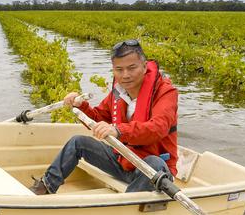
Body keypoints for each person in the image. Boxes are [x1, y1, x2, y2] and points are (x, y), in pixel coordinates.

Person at [30, 39, 178, 194]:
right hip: (123, 161)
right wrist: (80, 106)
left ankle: (124, 207)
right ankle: (45, 187)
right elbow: (98, 117)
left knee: (155, 163)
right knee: (77, 143)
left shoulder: (166, 92)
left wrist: (118, 130)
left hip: (152, 170)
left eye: (131, 68)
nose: (125, 75)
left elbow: (158, 128)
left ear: (144, 66)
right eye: (119, 70)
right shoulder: (119, 91)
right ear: (113, 70)